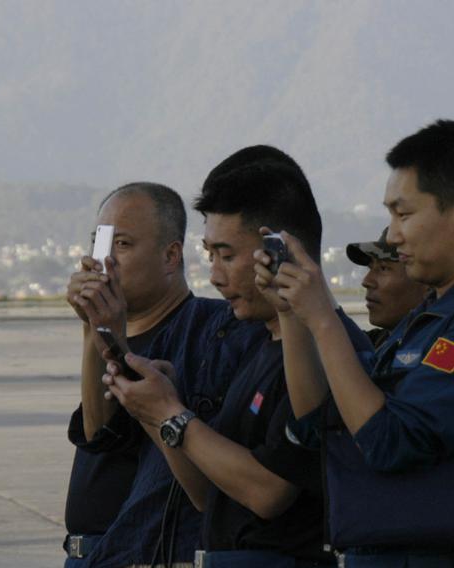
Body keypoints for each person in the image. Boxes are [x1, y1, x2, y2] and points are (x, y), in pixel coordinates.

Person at [257, 119, 454, 567]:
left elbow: (389, 443)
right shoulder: (430, 315)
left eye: (403, 213)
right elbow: (323, 426)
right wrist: (292, 314)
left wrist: (324, 319)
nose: (392, 235)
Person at [102, 148, 374, 567]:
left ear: (278, 251)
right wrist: (155, 411)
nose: (214, 276)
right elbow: (207, 494)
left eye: (227, 255)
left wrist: (174, 415)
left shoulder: (331, 353)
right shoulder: (260, 346)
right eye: (211, 256)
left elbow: (268, 493)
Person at [62, 182, 195, 566]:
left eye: (121, 245)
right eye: (98, 244)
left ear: (171, 256)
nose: (103, 263)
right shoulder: (117, 328)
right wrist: (94, 328)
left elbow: (106, 436)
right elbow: (94, 431)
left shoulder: (204, 331)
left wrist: (105, 333)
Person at [345, 227, 429, 347]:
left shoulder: (436, 348)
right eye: (370, 268)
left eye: (383, 268)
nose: (367, 281)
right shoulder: (380, 343)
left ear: (427, 282)